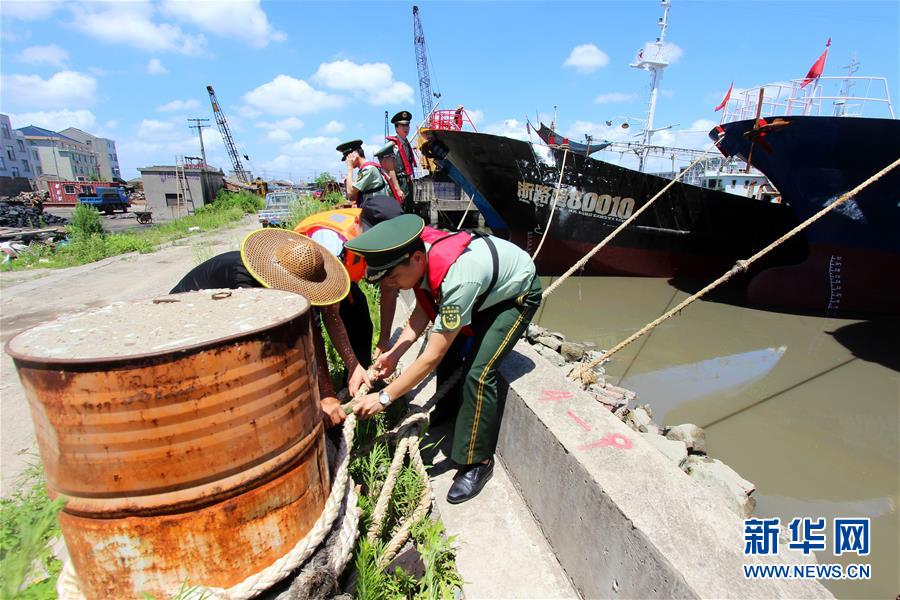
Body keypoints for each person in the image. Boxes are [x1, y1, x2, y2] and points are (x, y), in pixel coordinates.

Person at [345, 215, 542, 504]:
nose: (395, 286)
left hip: (514, 295)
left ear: (415, 259)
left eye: (395, 278)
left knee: (478, 372)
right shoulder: (419, 258)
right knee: (452, 346)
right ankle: (448, 409)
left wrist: (384, 398)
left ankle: (478, 462)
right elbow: (424, 311)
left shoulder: (459, 277)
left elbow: (432, 355)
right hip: (482, 292)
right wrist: (394, 353)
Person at [169, 229, 370, 429]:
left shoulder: (304, 271)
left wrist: (352, 366)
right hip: (186, 322)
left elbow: (326, 319)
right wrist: (321, 396)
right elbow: (264, 349)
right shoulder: (247, 284)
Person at [293, 195, 404, 370]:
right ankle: (324, 389)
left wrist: (384, 339)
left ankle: (360, 378)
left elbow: (389, 287)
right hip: (305, 277)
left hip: (343, 277)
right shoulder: (331, 241)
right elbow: (331, 311)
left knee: (361, 323)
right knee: (312, 333)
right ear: (358, 223)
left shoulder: (385, 237)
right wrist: (352, 364)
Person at [336, 139, 402, 206]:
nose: (347, 161)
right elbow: (352, 197)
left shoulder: (368, 169)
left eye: (348, 158)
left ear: (355, 155)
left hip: (376, 211)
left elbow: (350, 193)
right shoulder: (367, 168)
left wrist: (350, 168)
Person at [385, 111, 416, 210]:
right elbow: (391, 169)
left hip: (406, 182)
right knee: (398, 211)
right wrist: (397, 189)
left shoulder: (406, 144)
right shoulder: (393, 146)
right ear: (396, 128)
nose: (406, 128)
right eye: (402, 125)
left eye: (407, 125)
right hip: (398, 182)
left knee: (408, 210)